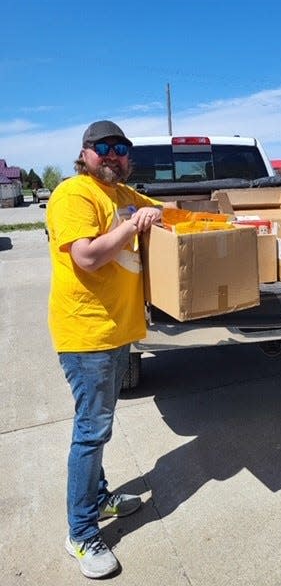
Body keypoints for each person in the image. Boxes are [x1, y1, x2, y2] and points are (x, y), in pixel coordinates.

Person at [47, 120, 163, 579]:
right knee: (91, 432)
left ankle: (99, 497)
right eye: (103, 148)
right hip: (87, 335)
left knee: (101, 426)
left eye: (120, 149)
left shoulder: (124, 195)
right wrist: (135, 223)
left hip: (117, 332)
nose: (112, 155)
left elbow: (167, 212)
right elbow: (88, 257)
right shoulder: (74, 194)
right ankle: (81, 534)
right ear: (85, 153)